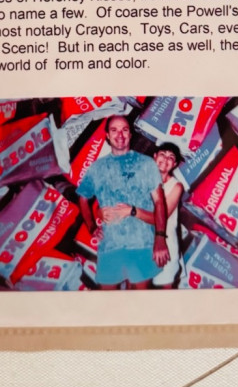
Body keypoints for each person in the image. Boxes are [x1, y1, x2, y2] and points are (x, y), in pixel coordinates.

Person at [77, 115, 169, 290]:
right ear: (107, 135)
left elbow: (159, 202)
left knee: (138, 300)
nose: (120, 135)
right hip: (110, 246)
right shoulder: (97, 167)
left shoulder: (146, 164)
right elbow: (82, 198)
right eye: (114, 130)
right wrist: (91, 226)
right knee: (108, 302)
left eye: (124, 130)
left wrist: (160, 238)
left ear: (130, 134)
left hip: (142, 245)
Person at [100, 142, 184, 288]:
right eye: (162, 154)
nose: (165, 159)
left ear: (175, 164)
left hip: (164, 245)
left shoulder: (176, 186)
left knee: (165, 291)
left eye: (171, 157)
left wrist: (132, 211)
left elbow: (160, 219)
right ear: (155, 156)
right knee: (134, 288)